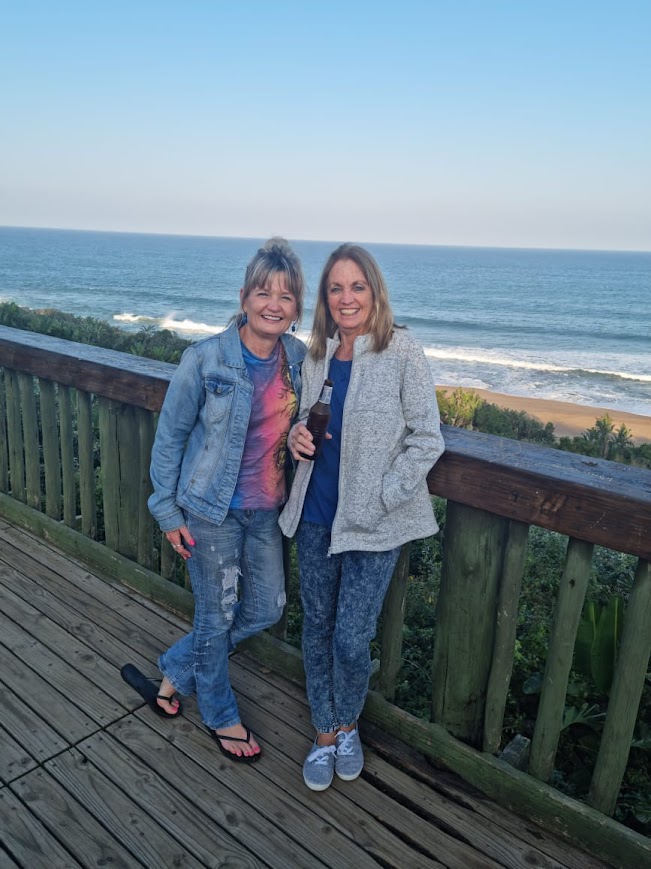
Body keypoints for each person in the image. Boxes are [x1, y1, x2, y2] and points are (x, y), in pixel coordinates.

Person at [130, 237, 306, 762]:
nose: (273, 304)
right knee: (216, 616)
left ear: (297, 308)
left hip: (266, 510)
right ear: (244, 298)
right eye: (263, 292)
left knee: (266, 608)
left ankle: (175, 670)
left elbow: (311, 412)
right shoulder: (204, 359)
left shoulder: (298, 359)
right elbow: (170, 437)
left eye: (286, 296)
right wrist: (167, 511)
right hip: (209, 510)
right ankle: (220, 714)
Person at [279, 243, 444, 790]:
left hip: (373, 524)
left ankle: (347, 723)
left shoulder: (402, 350)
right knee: (317, 627)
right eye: (335, 288)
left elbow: (427, 437)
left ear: (374, 291)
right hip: (315, 514)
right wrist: (295, 435)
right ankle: (325, 731)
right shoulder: (317, 353)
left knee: (351, 638)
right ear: (325, 298)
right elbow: (304, 420)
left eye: (357, 286)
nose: (346, 298)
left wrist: (386, 495)